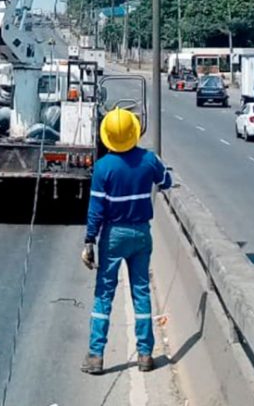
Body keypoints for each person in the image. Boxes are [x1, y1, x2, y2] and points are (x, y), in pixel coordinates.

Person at [80, 108, 173, 375]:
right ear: (133, 133)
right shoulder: (148, 160)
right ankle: (145, 355)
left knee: (103, 295)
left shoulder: (102, 168)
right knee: (141, 292)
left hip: (113, 236)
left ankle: (96, 356)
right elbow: (166, 181)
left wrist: (89, 241)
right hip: (141, 233)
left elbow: (96, 210)